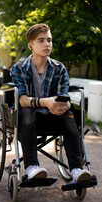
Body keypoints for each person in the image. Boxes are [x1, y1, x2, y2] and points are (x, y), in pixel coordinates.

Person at [11, 23, 91, 182]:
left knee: (68, 114)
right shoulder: (19, 68)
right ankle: (32, 167)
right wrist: (46, 102)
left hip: (52, 116)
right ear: (30, 45)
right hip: (26, 120)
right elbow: (23, 100)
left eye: (49, 40)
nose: (47, 44)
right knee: (28, 112)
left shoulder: (59, 68)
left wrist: (64, 105)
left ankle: (76, 170)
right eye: (41, 40)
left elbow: (63, 96)